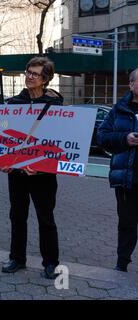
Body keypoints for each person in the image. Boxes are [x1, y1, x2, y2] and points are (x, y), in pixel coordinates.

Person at [1, 56, 64, 279]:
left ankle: (50, 263)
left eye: (34, 74)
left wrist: (40, 166)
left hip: (43, 174)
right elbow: (6, 137)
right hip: (17, 172)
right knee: (17, 216)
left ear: (45, 79)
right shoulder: (15, 103)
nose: (29, 77)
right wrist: (4, 161)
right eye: (28, 72)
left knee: (45, 218)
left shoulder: (55, 105)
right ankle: (17, 258)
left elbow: (56, 140)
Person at [97, 68, 138, 272]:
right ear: (131, 84)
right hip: (126, 178)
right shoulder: (118, 110)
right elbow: (102, 136)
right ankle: (122, 263)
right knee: (127, 223)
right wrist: (125, 138)